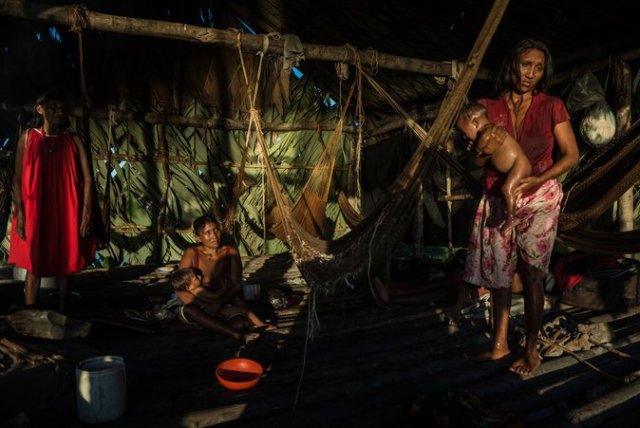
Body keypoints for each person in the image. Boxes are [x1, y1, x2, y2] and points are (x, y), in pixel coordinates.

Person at [462, 39, 579, 376]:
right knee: (499, 273)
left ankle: (530, 349)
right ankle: (499, 345)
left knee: (531, 273)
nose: (531, 74)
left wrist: (537, 179)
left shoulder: (552, 105)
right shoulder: (485, 107)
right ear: (512, 64)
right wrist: (484, 150)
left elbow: (571, 155)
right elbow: (472, 161)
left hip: (540, 196)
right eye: (526, 65)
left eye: (538, 67)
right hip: (499, 197)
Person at [9, 91, 95, 313]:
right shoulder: (28, 138)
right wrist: (21, 213)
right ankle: (30, 315)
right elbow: (17, 178)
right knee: (34, 263)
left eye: (62, 108)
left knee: (67, 261)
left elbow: (87, 178)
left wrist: (86, 213)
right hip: (35, 209)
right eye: (53, 107)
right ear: (40, 109)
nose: (59, 112)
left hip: (68, 208)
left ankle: (63, 312)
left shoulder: (73, 140)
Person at [178, 215, 275, 331]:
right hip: (200, 305)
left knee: (240, 324)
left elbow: (236, 286)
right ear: (198, 238)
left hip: (225, 302)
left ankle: (212, 325)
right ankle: (216, 326)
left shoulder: (230, 252)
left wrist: (218, 304)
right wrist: (206, 306)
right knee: (192, 312)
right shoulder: (192, 253)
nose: (214, 236)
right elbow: (180, 287)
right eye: (207, 233)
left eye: (216, 230)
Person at [456, 102, 532, 235]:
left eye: (463, 132)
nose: (464, 136)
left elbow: (480, 150)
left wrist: (477, 149)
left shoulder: (487, 133)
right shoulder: (487, 132)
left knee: (506, 189)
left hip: (520, 165)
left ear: (475, 123)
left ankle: (511, 218)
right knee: (506, 189)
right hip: (515, 167)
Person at [170, 267, 260, 344]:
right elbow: (215, 296)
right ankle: (257, 327)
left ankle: (221, 331)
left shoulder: (196, 289)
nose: (200, 276)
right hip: (195, 314)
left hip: (207, 314)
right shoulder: (198, 290)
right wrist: (224, 288)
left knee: (240, 322)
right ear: (188, 286)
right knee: (243, 310)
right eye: (196, 277)